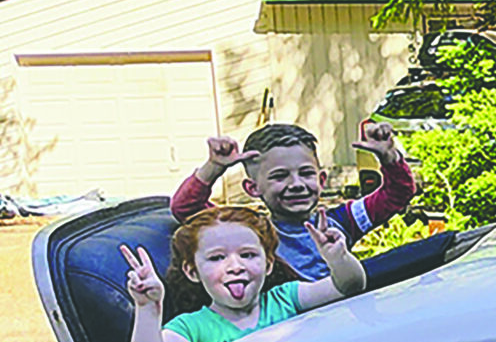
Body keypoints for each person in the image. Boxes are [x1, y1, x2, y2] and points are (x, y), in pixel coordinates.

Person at [122, 205, 363, 342]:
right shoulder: (193, 327)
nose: (235, 266)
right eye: (217, 258)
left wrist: (338, 258)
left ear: (268, 264)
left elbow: (349, 286)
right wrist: (148, 308)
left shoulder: (285, 298)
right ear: (192, 271)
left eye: (248, 255)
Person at [172, 120, 418, 281]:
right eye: (280, 176)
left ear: (321, 180)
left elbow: (398, 193)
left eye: (306, 173)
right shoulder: (251, 231)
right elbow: (186, 208)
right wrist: (213, 167)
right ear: (252, 188)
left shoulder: (343, 220)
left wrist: (389, 157)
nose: (297, 184)